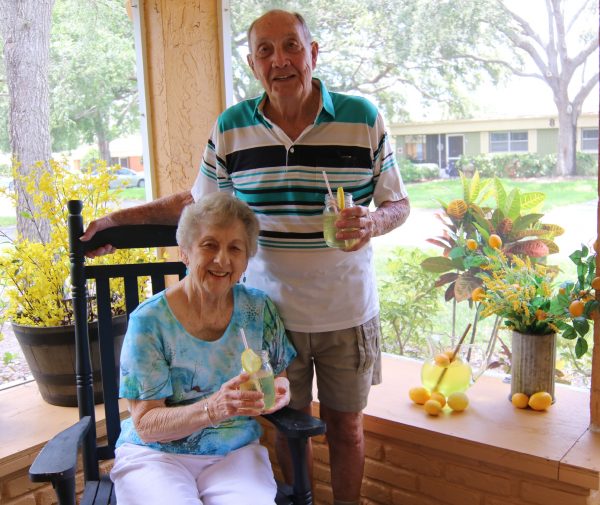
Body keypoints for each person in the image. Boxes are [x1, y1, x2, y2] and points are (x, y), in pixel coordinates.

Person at [84, 9, 410, 505]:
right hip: (268, 318)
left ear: (313, 52)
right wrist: (116, 220)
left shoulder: (362, 118)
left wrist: (373, 222)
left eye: (291, 47)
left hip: (346, 312)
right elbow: (197, 204)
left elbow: (398, 203)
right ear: (253, 64)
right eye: (265, 51)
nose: (280, 60)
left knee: (348, 430)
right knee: (283, 430)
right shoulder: (233, 128)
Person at [109, 192, 296, 505]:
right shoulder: (150, 321)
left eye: (235, 248)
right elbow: (146, 424)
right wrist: (214, 408)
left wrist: (279, 391)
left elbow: (279, 376)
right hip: (156, 455)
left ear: (247, 257)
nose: (222, 259)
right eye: (210, 245)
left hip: (233, 452)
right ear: (186, 252)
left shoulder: (258, 309)